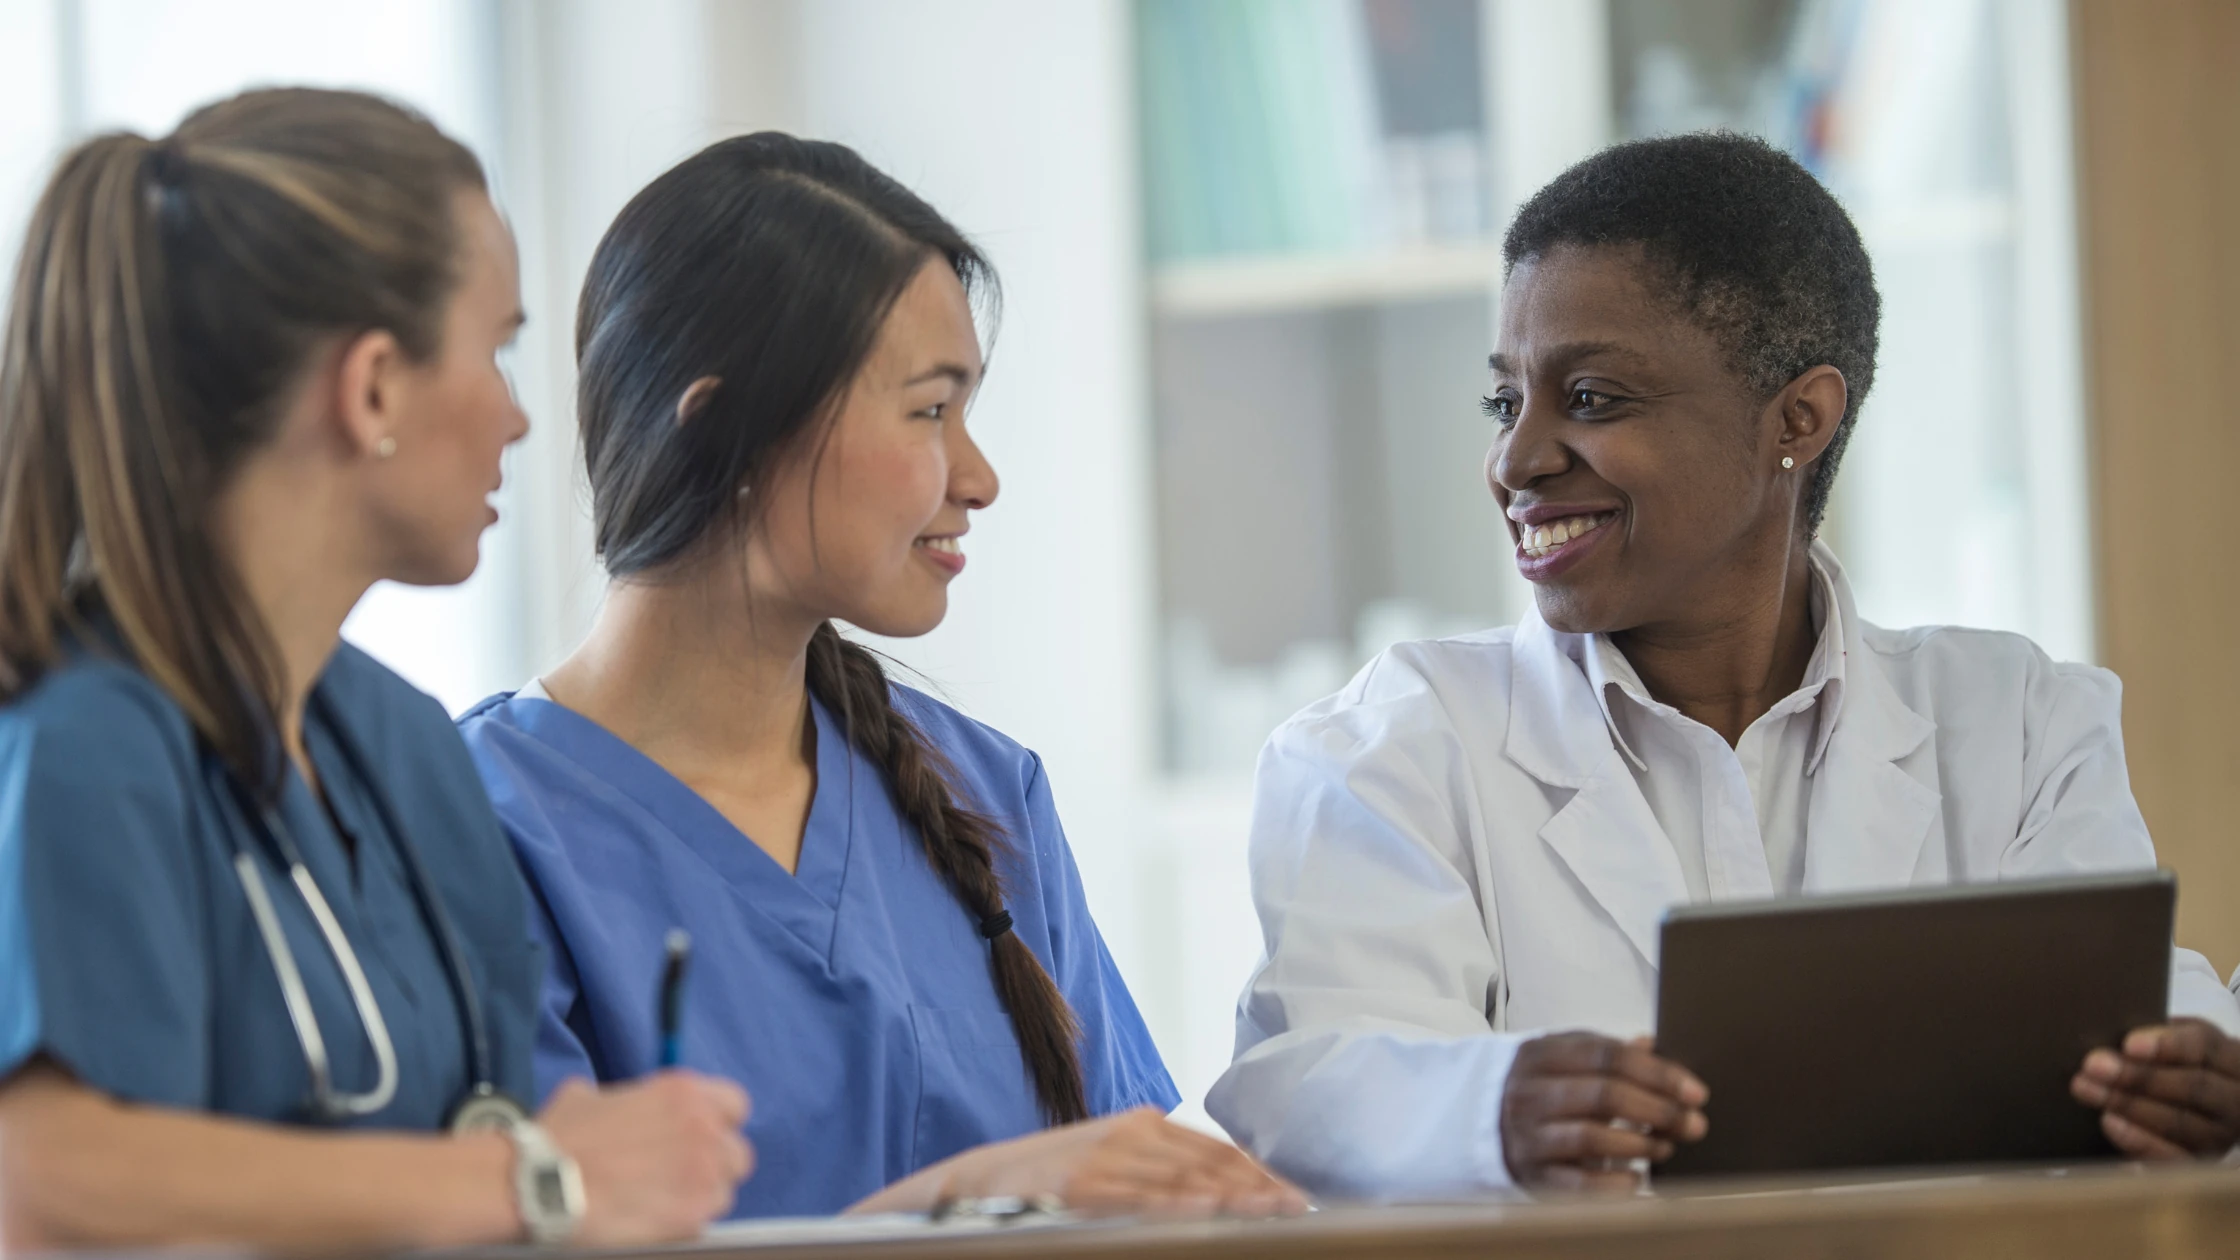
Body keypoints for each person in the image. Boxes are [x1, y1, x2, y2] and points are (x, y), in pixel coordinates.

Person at [1207, 132, 2240, 1198]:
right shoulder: (1389, 751)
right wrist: (1490, 1109)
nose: (1515, 460)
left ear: (1797, 418)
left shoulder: (2013, 720)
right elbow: (1317, 1083)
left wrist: (2191, 1077)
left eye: (1592, 398)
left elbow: (2147, 1003)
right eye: (1505, 401)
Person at [456, 134, 1304, 1220]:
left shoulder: (988, 796)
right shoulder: (478, 834)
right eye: (929, 410)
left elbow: (1127, 1203)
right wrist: (957, 1200)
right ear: (726, 429)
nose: (980, 477)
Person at [0, 89, 749, 1251]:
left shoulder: (406, 747)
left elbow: (498, 1141)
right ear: (374, 388)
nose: (517, 418)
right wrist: (531, 1182)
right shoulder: (89, 741)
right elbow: (40, 1177)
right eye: (496, 348)